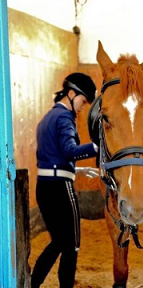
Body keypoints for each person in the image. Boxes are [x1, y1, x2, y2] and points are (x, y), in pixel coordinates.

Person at [31, 73, 99, 288]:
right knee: (72, 245)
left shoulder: (47, 118)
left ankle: (32, 283)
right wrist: (96, 147)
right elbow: (69, 151)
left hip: (45, 186)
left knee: (59, 242)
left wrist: (77, 171)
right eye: (82, 101)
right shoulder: (64, 118)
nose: (83, 107)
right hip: (60, 189)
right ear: (71, 94)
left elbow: (53, 158)